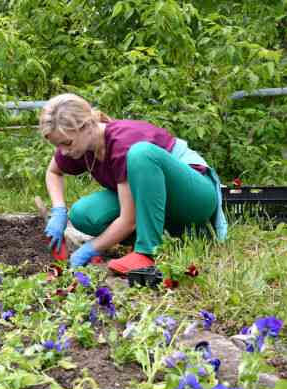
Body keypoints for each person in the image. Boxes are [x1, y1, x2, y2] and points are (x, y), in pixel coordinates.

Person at [39, 93, 227, 274]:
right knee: (83, 214)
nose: (63, 152)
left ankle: (146, 252)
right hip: (159, 204)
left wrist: (91, 248)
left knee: (140, 153)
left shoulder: (123, 142)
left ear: (87, 125)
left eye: (66, 143)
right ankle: (168, 235)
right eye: (58, 146)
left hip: (194, 198)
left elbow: (128, 221)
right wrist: (59, 211)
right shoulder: (82, 146)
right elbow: (53, 171)